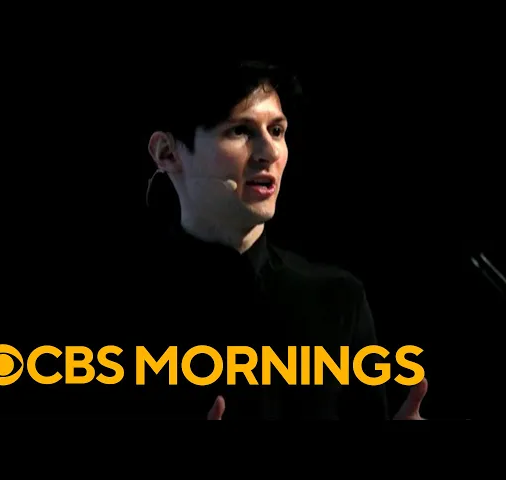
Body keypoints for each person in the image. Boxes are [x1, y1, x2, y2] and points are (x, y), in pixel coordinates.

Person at [139, 59, 429, 420]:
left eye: (277, 130)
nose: (271, 152)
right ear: (167, 153)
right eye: (240, 131)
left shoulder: (337, 300)